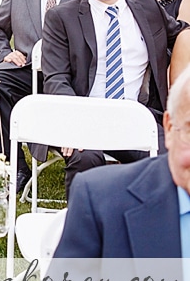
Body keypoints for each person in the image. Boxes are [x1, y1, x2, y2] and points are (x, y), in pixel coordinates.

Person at [42, 0, 190, 196]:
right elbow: (56, 79)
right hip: (85, 119)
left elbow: (182, 32)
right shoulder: (62, 17)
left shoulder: (147, 7)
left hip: (139, 117)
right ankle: (86, 232)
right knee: (85, 165)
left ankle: (157, 230)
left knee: (174, 161)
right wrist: (73, 124)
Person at [52, 64, 190, 258]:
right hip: (85, 122)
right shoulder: (100, 204)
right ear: (169, 128)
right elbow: (56, 77)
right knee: (85, 158)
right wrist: (77, 124)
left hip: (138, 121)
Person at [0, 0, 86, 194]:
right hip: (25, 71)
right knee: (1, 81)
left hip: (69, 76)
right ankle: (14, 166)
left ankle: (77, 151)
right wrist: (3, 53)